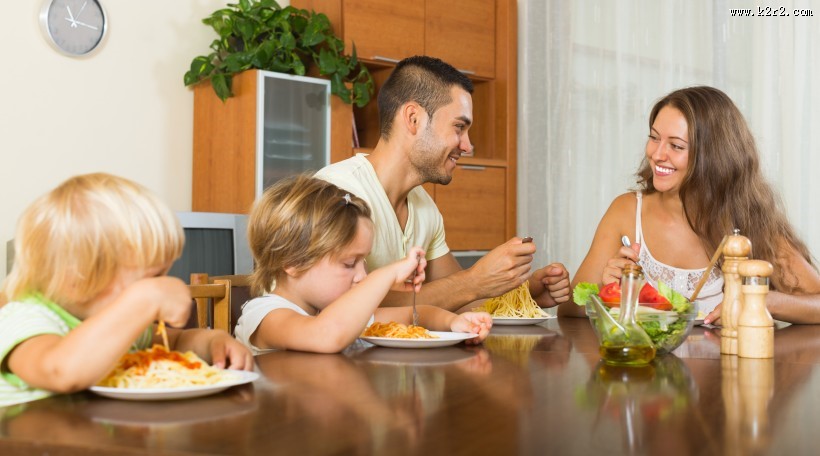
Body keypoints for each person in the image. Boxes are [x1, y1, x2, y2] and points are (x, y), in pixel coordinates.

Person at [315, 55, 570, 313]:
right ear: (413, 119)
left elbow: (463, 301)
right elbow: (343, 307)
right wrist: (474, 280)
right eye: (459, 127)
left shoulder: (425, 207)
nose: (468, 146)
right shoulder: (336, 191)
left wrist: (526, 295)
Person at [562, 86, 820, 324]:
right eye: (654, 138)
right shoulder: (627, 211)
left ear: (714, 156)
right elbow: (569, 310)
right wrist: (609, 293)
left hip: (725, 373)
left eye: (676, 146)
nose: (657, 154)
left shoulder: (751, 223)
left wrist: (765, 301)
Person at [0, 173, 253, 407]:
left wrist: (213, 341)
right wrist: (145, 299)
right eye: (152, 277)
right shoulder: (24, 320)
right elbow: (61, 371)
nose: (162, 284)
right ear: (77, 277)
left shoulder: (125, 329)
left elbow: (175, 341)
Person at [233, 174, 493, 354]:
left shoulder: (333, 310)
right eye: (349, 264)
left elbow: (417, 314)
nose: (361, 275)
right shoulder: (266, 315)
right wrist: (385, 276)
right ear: (292, 261)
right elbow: (327, 335)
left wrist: (454, 324)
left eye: (364, 262)